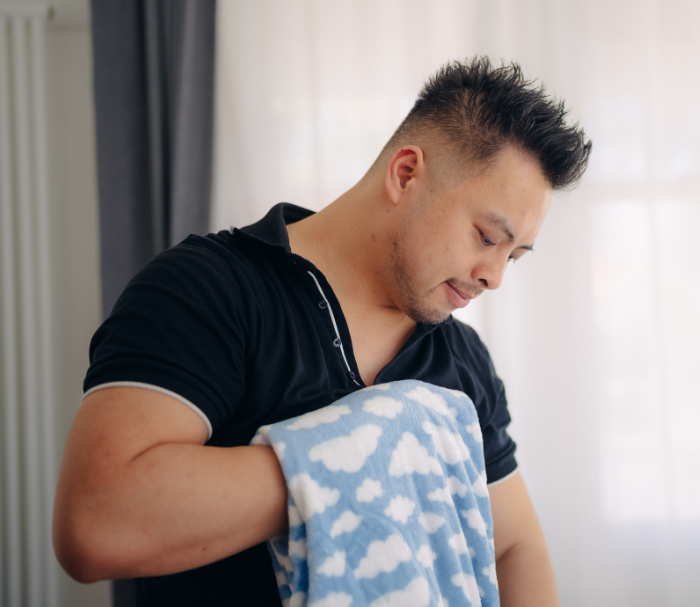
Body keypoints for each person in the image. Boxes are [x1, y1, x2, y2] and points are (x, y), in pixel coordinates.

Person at [52, 57, 591, 606]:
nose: (494, 276)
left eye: (514, 256)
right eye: (484, 236)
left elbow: (514, 547)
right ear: (406, 174)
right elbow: (97, 521)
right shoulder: (208, 290)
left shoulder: (461, 358)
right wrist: (365, 451)